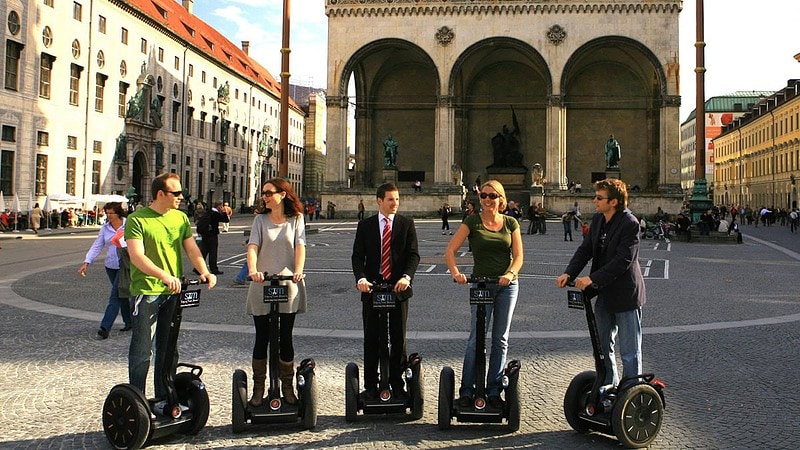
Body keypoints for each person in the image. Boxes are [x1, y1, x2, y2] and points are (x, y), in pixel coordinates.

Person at [125, 172, 216, 400]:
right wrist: (164, 275)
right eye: (176, 193)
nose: (181, 197)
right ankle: (138, 399)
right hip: (146, 291)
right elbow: (137, 256)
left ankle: (164, 397)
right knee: (143, 349)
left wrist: (205, 271)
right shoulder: (138, 220)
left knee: (168, 350)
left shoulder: (180, 218)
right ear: (160, 194)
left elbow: (192, 249)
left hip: (173, 291)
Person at [555, 178, 646, 389]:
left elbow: (623, 260)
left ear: (613, 201)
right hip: (604, 293)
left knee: (630, 351)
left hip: (626, 295)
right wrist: (569, 273)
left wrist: (592, 278)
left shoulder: (629, 223)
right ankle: (607, 385)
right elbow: (585, 249)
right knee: (602, 345)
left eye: (599, 197)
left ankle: (631, 391)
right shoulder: (598, 220)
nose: (594, 200)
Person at [445, 180, 523, 409]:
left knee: (500, 339)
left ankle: (494, 390)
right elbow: (450, 251)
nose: (487, 200)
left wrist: (510, 273)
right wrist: (456, 273)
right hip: (480, 285)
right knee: (476, 338)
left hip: (507, 286)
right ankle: (467, 390)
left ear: (501, 199)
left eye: (492, 196)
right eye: (483, 196)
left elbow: (518, 257)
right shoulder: (472, 221)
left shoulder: (511, 223)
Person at [351, 182, 420, 400]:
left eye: (397, 199)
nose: (395, 204)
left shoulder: (406, 224)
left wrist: (406, 277)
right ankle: (371, 384)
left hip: (398, 288)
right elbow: (357, 256)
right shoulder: (366, 225)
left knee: (398, 338)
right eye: (391, 199)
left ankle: (397, 383)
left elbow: (413, 255)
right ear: (379, 201)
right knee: (371, 338)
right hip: (372, 288)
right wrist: (361, 278)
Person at [245, 178, 308, 406]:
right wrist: (253, 270)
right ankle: (259, 386)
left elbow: (300, 246)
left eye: (269, 193)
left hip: (287, 282)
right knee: (262, 337)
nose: (265, 196)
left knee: (286, 336)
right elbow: (253, 246)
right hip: (262, 283)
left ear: (282, 194)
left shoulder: (296, 219)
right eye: (263, 193)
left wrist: (298, 271)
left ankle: (287, 386)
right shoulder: (260, 220)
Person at [78, 202, 132, 340]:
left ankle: (105, 327)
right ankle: (129, 322)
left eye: (111, 213)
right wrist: (87, 261)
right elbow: (97, 245)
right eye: (107, 213)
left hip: (125, 266)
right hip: (110, 265)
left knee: (115, 296)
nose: (108, 216)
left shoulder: (129, 224)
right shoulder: (105, 228)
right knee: (122, 294)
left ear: (118, 213)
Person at [196, 200, 229, 275]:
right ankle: (214, 269)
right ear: (219, 206)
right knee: (213, 253)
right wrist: (223, 212)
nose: (222, 207)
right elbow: (226, 220)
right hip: (212, 235)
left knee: (204, 252)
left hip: (205, 235)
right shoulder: (215, 214)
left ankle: (197, 268)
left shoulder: (208, 212)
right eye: (221, 206)